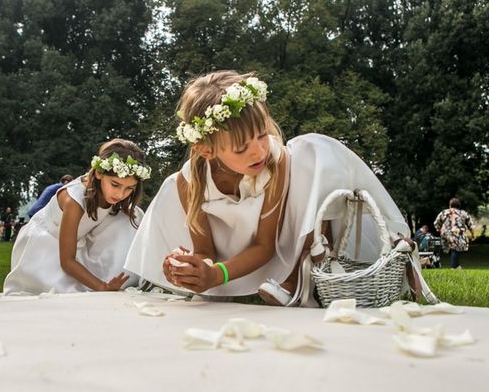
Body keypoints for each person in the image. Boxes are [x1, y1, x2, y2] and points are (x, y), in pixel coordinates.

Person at [124, 70, 411, 305]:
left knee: (315, 151)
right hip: (233, 253)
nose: (258, 152)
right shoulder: (190, 181)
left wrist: (217, 273)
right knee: (171, 187)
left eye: (262, 135)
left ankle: (301, 277)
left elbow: (265, 246)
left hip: (278, 243)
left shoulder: (276, 162)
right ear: (207, 150)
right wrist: (192, 268)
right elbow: (205, 251)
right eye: (241, 148)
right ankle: (240, 289)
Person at [3, 139, 150, 294]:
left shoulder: (114, 196)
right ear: (99, 173)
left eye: (129, 188)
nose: (120, 194)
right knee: (55, 296)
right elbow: (67, 261)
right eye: (115, 184)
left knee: (133, 216)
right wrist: (102, 286)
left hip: (77, 243)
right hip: (46, 244)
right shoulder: (74, 200)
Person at [433, 197, 474, 269]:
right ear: (459, 206)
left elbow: (436, 222)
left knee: (452, 249)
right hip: (457, 233)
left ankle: (457, 266)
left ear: (450, 205)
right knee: (456, 249)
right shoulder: (463, 213)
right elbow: (470, 224)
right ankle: (453, 267)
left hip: (445, 234)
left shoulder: (444, 212)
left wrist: (438, 229)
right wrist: (472, 234)